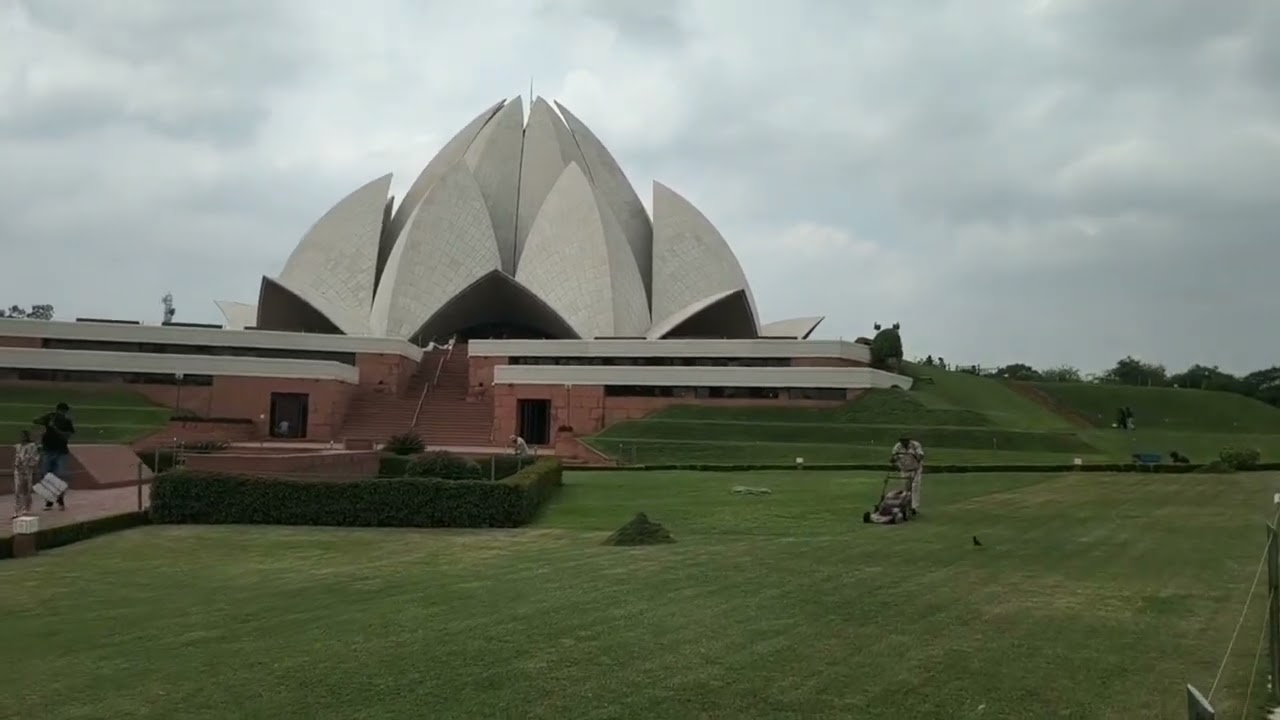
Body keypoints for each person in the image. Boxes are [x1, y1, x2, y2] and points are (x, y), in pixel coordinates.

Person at [33, 402, 75, 510]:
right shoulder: (51, 417)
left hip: (61, 452)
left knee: (60, 476)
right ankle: (49, 501)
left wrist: (55, 428)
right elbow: (35, 421)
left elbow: (67, 436)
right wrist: (44, 419)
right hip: (48, 450)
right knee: (46, 476)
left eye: (63, 412)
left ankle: (60, 500)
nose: (61, 413)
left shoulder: (67, 422)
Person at [891, 435, 925, 516]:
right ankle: (907, 506)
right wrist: (893, 459)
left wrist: (918, 458)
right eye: (902, 441)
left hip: (915, 469)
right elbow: (894, 456)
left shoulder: (915, 445)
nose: (903, 442)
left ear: (909, 440)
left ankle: (914, 507)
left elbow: (921, 454)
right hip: (904, 470)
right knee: (906, 489)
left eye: (905, 440)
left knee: (915, 487)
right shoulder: (897, 447)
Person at [12, 430, 39, 518]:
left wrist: (29, 463)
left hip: (27, 471)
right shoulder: (18, 446)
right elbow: (16, 457)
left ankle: (26, 507)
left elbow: (35, 458)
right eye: (21, 436)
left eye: (23, 436)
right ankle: (17, 510)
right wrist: (17, 464)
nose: (22, 438)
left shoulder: (32, 446)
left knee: (26, 490)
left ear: (26, 437)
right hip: (18, 471)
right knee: (17, 490)